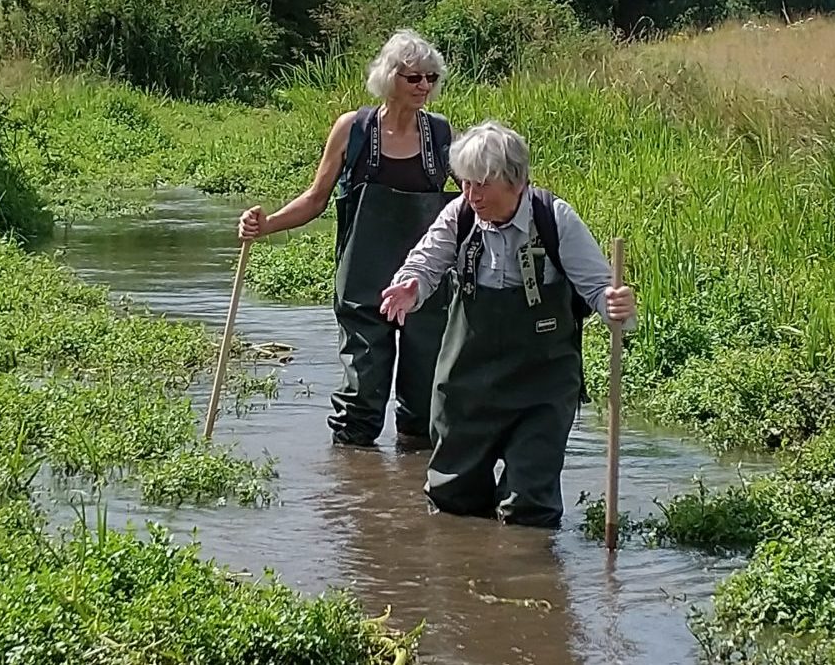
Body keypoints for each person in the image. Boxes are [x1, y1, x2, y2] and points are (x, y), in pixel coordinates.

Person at [378, 121, 637, 528]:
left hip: (541, 388)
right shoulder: (460, 216)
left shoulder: (555, 219)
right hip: (467, 385)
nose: (471, 195)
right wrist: (410, 286)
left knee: (529, 508)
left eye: (482, 183)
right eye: (464, 183)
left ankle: (530, 578)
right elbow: (425, 262)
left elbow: (599, 289)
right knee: (452, 500)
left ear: (516, 181)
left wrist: (616, 305)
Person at [239, 30, 457, 450]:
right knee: (363, 389)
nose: (424, 87)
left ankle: (414, 490)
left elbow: (468, 204)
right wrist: (266, 225)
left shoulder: (441, 135)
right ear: (389, 77)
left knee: (426, 395)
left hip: (425, 288)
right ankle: (353, 478)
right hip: (363, 282)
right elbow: (316, 198)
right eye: (414, 78)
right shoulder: (353, 130)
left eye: (431, 78)